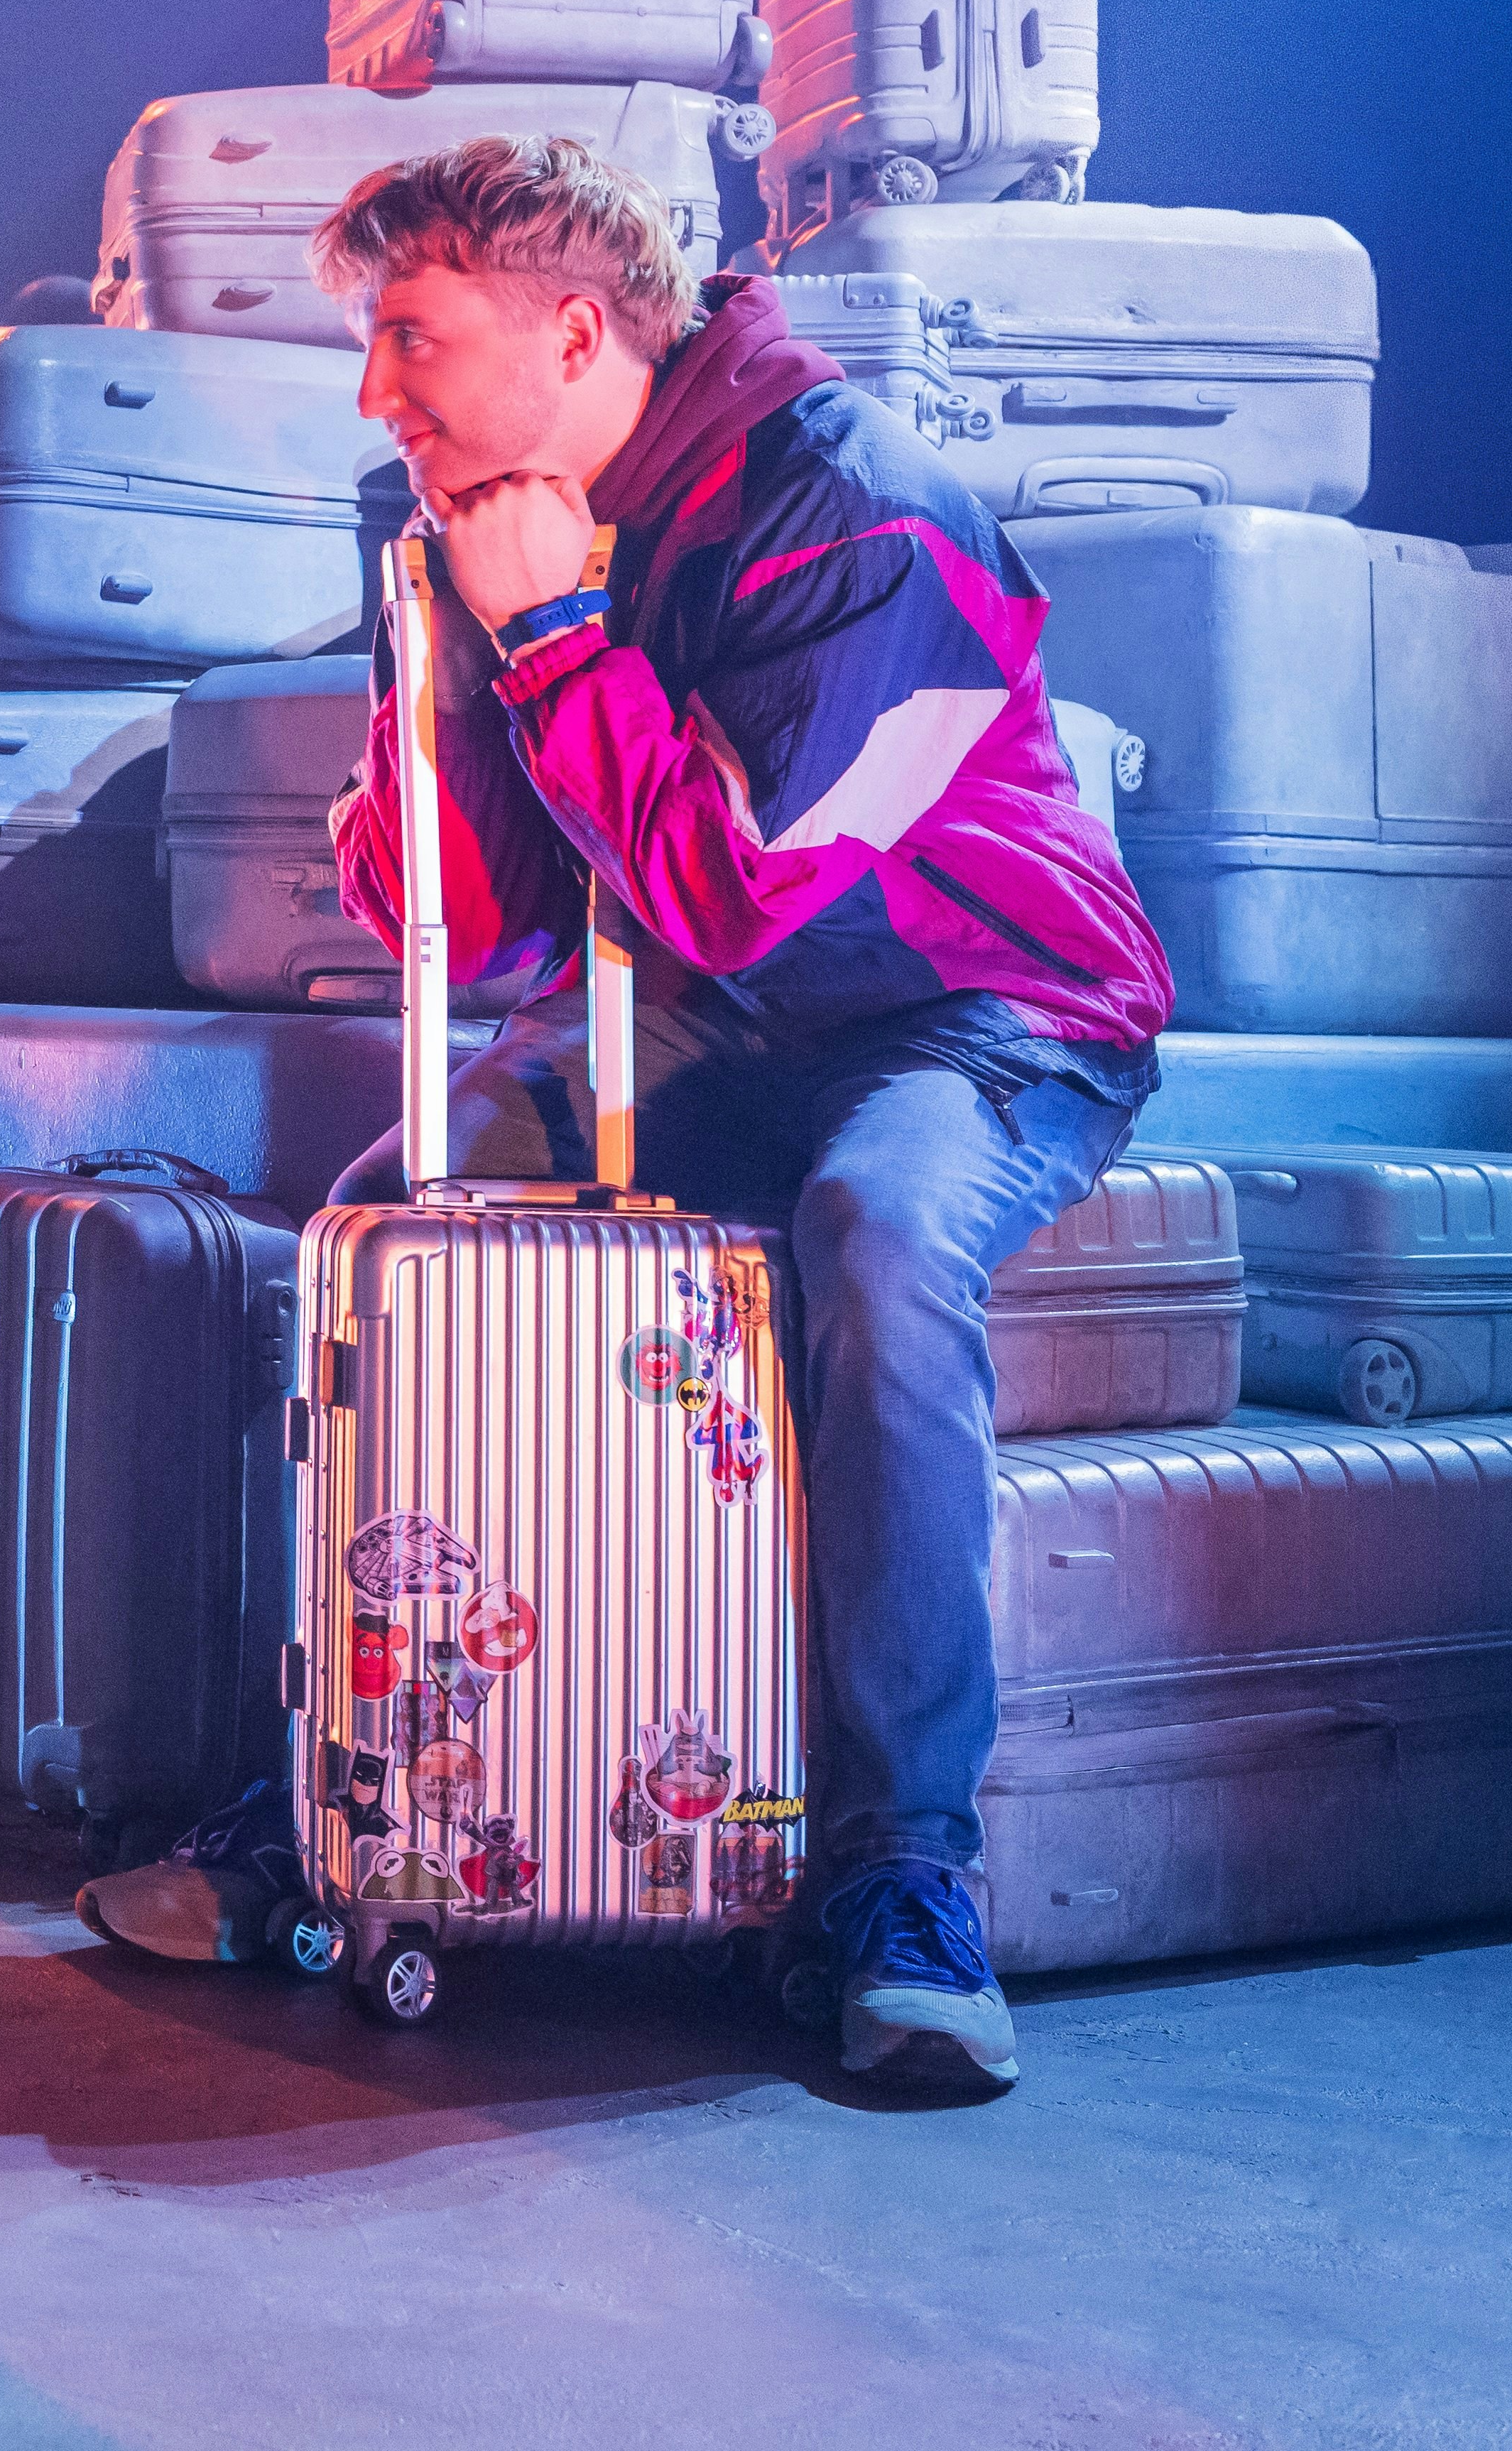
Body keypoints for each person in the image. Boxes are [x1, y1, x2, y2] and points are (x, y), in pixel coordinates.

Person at [85, 134, 1166, 2101]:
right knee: (398, 1239)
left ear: (573, 332)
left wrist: (559, 639)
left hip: (979, 1013)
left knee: (883, 1237)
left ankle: (904, 1877)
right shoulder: (476, 521)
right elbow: (468, 917)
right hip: (710, 1014)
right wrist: (461, 651)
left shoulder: (859, 514)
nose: (375, 393)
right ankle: (342, 1797)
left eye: (410, 339)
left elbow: (745, 883)